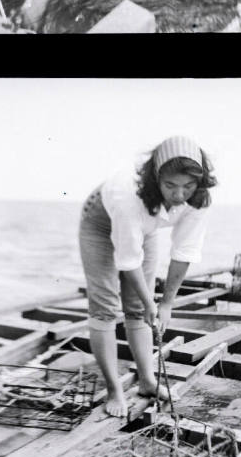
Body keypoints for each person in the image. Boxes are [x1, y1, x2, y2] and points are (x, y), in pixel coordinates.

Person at [79, 136, 217, 417]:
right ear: (156, 179)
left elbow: (184, 251)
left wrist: (165, 303)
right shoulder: (129, 195)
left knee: (140, 308)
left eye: (188, 186)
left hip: (144, 227)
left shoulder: (198, 200)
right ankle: (114, 390)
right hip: (100, 222)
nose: (179, 195)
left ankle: (147, 381)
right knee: (105, 307)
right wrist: (149, 302)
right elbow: (128, 262)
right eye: (171, 186)